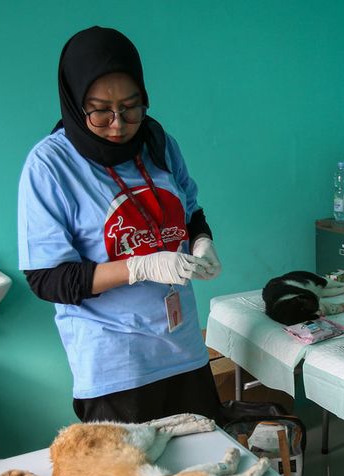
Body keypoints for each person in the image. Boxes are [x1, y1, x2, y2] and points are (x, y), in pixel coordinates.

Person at [18, 27, 223, 424]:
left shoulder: (158, 142)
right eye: (100, 110)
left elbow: (190, 211)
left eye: (131, 107)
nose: (118, 123)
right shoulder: (50, 166)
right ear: (77, 104)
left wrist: (200, 242)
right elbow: (48, 279)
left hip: (182, 348)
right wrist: (140, 266)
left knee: (203, 473)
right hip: (115, 366)